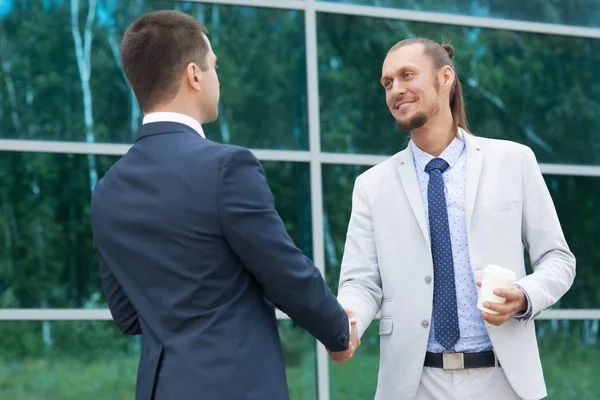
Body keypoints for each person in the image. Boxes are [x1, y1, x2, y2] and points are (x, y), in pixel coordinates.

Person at [90, 10, 356, 400]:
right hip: (236, 385)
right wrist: (337, 329)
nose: (219, 78)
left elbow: (128, 315)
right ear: (194, 75)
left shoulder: (107, 189)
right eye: (214, 67)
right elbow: (282, 270)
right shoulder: (227, 167)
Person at [330, 38, 575, 400]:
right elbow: (361, 283)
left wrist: (523, 296)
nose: (396, 90)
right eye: (387, 83)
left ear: (445, 77)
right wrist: (345, 322)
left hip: (504, 381)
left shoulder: (514, 161)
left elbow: (558, 260)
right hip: (413, 386)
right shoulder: (371, 186)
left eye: (406, 75)